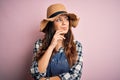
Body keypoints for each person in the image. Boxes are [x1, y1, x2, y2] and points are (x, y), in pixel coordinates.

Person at [30, 3, 83, 80]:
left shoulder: (77, 45)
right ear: (51, 25)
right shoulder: (39, 44)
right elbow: (36, 73)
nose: (64, 23)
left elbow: (75, 75)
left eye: (66, 19)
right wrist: (51, 46)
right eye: (58, 20)